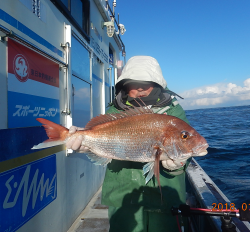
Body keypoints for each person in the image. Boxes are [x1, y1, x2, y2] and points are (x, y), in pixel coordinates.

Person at [67, 56, 190, 232]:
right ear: (124, 84)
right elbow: (100, 136)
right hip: (123, 197)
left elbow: (187, 148)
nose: (140, 87)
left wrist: (177, 165)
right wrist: (88, 144)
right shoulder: (115, 111)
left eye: (146, 82)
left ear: (156, 82)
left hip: (165, 201)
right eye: (134, 82)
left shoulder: (173, 111)